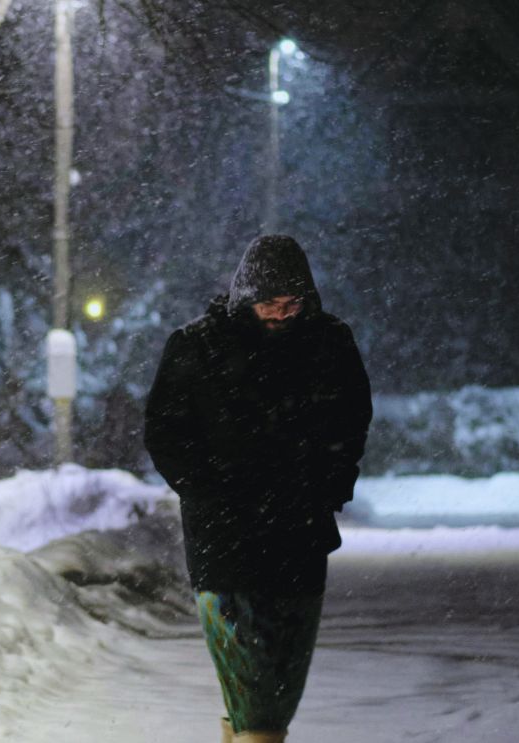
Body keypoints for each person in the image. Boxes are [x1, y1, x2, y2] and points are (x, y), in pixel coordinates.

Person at [144, 234, 373, 742]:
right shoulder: (198, 346)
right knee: (254, 686)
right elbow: (164, 432)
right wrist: (207, 491)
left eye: (292, 303)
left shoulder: (330, 343)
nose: (281, 313)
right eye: (270, 302)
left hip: (299, 533)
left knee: (280, 678)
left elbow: (351, 421)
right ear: (244, 296)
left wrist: (331, 484)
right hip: (224, 540)